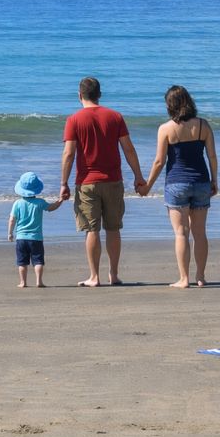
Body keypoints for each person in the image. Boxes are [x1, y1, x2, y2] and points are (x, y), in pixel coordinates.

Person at [60, 77, 146, 287]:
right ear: (99, 94)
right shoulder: (115, 116)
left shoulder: (74, 120)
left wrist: (64, 182)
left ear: (80, 95)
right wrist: (138, 176)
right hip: (113, 180)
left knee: (92, 229)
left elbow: (69, 154)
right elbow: (128, 149)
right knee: (113, 228)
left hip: (87, 182)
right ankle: (114, 274)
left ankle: (94, 276)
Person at [143, 85, 219, 288]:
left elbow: (159, 162)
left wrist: (147, 186)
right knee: (200, 232)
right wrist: (214, 180)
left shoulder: (166, 129)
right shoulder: (203, 125)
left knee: (181, 233)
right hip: (201, 181)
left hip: (177, 184)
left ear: (170, 105)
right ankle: (201, 277)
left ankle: (184, 278)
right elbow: (211, 156)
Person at [7, 171, 64, 288]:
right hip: (36, 238)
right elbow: (52, 207)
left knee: (22, 262)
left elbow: (12, 219)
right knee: (38, 260)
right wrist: (60, 200)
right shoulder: (40, 202)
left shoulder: (17, 203)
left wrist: (10, 233)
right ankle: (39, 281)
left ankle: (23, 282)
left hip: (21, 238)